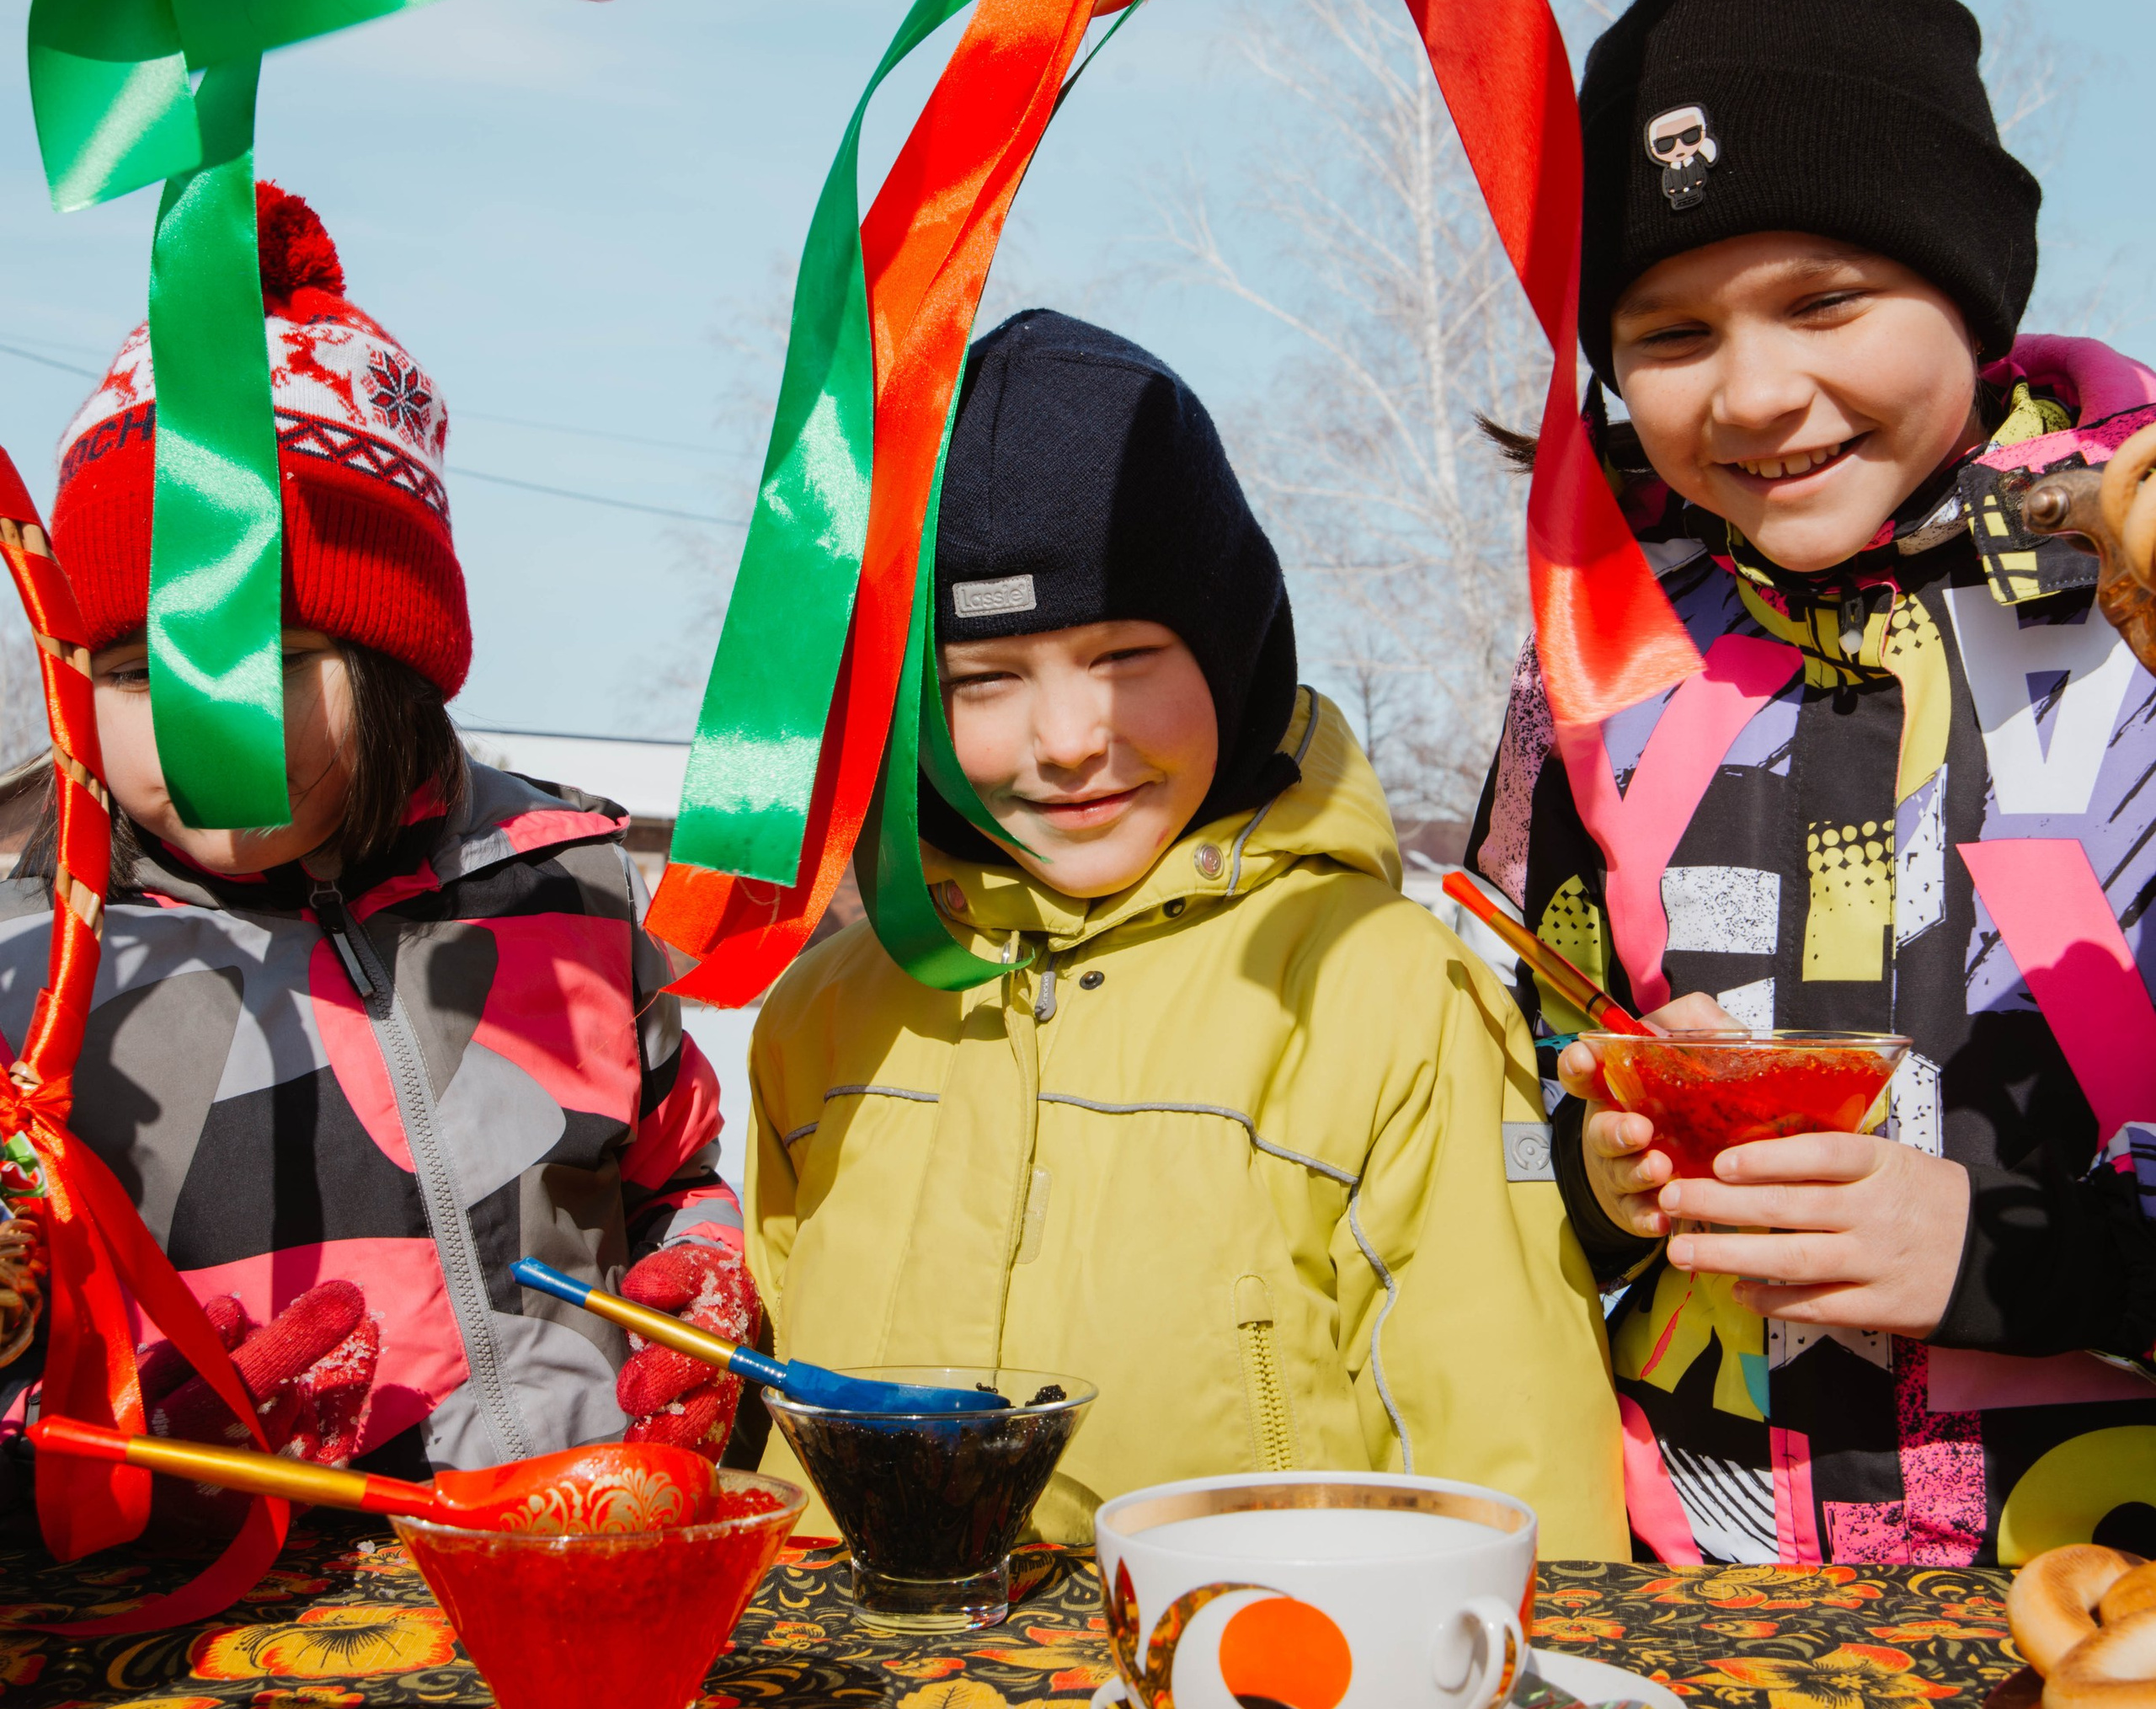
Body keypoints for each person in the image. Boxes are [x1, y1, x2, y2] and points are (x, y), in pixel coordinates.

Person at [1468, 0, 2156, 1569]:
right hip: (1700, 1573)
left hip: (2100, 1591)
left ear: (1966, 282)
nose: (1755, 392)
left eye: (1824, 298)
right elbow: (1492, 1078)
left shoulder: (2134, 608)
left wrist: (2007, 1256)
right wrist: (1595, 1160)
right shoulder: (1596, 661)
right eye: (1673, 334)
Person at [744, 308, 1627, 1554]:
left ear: (1232, 646)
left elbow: (1508, 1439)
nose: (1065, 740)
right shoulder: (827, 1014)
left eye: (1124, 655)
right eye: (983, 679)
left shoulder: (1380, 993)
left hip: (1264, 1708)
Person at [1, 185, 750, 1484]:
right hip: (221, 1637)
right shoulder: (36, 975)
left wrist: (705, 1279)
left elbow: (668, 1173)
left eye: (276, 656)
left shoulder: (558, 884)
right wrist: (117, 1449)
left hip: (569, 1551)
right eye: (136, 673)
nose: (202, 729)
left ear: (397, 653)